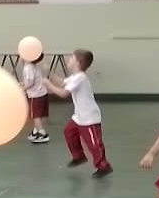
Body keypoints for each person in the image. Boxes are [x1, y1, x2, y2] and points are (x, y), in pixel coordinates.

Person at [45, 49, 112, 178]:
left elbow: (64, 93)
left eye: (72, 58)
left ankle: (103, 166)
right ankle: (79, 156)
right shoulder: (75, 77)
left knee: (94, 144)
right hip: (79, 116)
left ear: (78, 63)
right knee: (69, 132)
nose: (69, 60)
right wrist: (49, 73)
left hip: (89, 117)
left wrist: (48, 84)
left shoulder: (80, 78)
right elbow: (62, 82)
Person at [20, 50, 50, 144]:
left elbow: (30, 83)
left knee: (35, 116)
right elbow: (33, 80)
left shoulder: (28, 68)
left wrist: (22, 89)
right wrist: (23, 83)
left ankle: (42, 133)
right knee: (38, 115)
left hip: (36, 96)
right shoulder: (33, 66)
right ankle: (35, 131)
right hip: (42, 94)